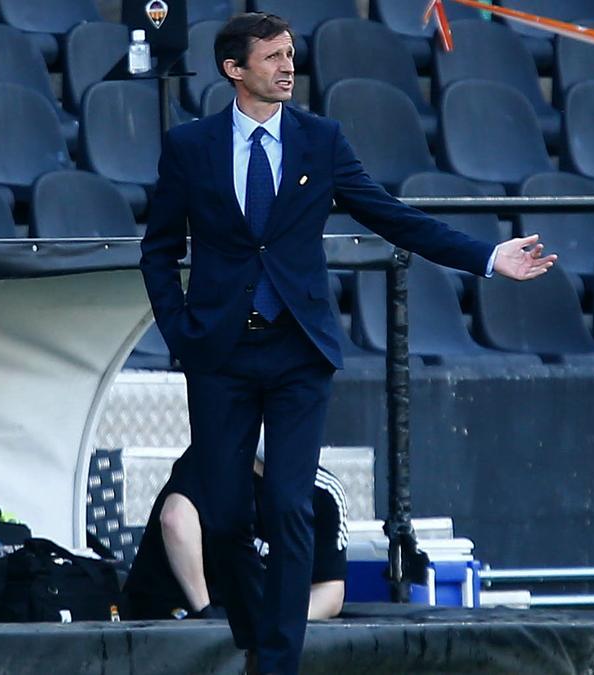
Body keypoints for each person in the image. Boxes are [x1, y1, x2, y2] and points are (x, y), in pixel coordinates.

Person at [140, 12, 556, 674]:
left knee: (287, 502)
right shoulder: (191, 147)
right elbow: (158, 250)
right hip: (218, 353)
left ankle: (275, 663)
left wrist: (487, 257)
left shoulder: (320, 141)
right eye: (272, 56)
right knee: (223, 517)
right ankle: (256, 635)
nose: (286, 66)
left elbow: (393, 216)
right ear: (233, 69)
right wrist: (181, 330)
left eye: (290, 54)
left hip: (297, 351)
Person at [124, 434, 347, 622]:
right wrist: (208, 615)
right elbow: (175, 519)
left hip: (245, 619)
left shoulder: (324, 492)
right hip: (171, 617)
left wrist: (274, 623)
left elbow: (330, 592)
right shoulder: (211, 459)